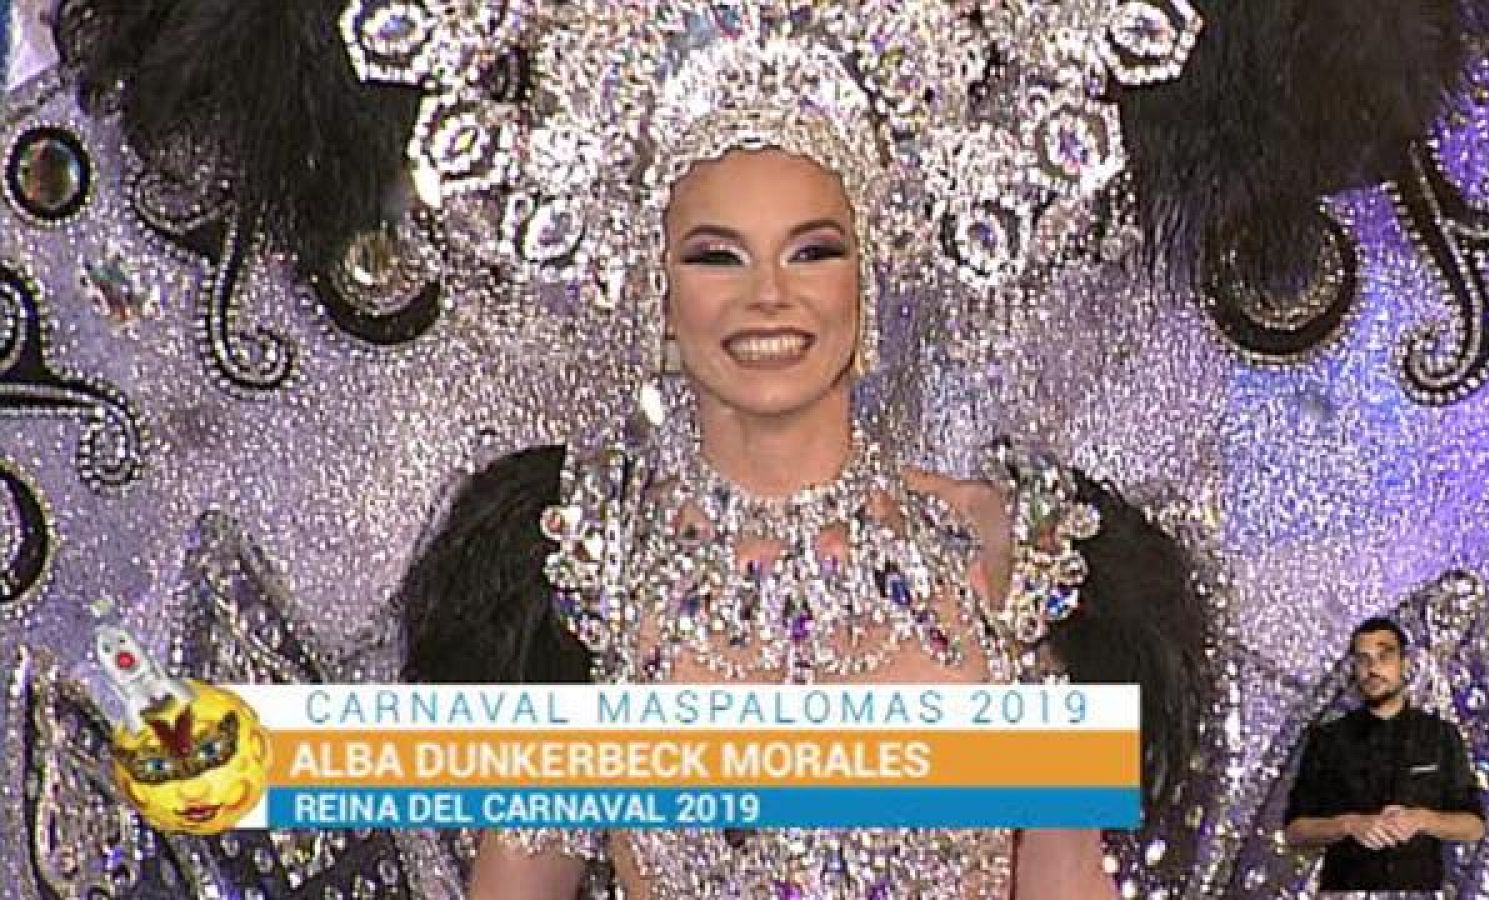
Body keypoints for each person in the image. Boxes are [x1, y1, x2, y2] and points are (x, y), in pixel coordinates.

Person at [370, 4, 1210, 897]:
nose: (768, 296)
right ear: (659, 288)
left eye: (811, 251)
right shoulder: (593, 571)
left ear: (867, 277)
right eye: (717, 257)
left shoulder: (1008, 563)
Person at [1285, 617, 1485, 893]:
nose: (1373, 668)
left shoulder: (1441, 736)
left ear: (1405, 664)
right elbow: (1295, 831)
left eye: (1384, 657)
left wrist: (1422, 819)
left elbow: (1474, 826)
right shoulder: (1327, 739)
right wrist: (1349, 824)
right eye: (1363, 659)